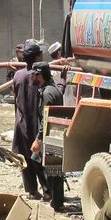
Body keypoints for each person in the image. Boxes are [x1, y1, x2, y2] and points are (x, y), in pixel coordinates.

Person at [12, 41, 47, 199]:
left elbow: (15, 97)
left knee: (25, 158)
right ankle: (47, 190)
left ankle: (32, 190)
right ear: (38, 56)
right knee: (40, 158)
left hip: (22, 122)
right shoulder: (38, 75)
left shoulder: (18, 75)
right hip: (37, 122)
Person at [30, 62, 65, 208]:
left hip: (51, 135)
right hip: (54, 133)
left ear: (40, 76)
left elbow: (46, 118)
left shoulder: (47, 93)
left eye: (34, 74)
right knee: (43, 163)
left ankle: (55, 200)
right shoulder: (51, 89)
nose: (32, 77)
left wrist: (38, 139)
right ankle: (52, 195)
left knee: (53, 168)